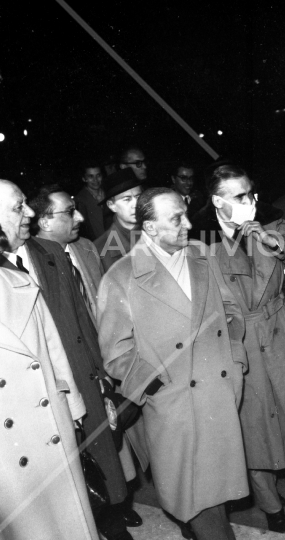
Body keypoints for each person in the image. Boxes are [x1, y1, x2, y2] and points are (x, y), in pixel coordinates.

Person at [190, 164, 285, 534]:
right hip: (239, 341)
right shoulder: (198, 240)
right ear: (217, 201)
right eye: (239, 197)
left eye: (251, 194)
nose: (249, 202)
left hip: (282, 330)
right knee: (255, 431)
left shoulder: (271, 222)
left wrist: (273, 242)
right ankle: (272, 506)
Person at [97, 188, 249, 540]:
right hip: (175, 405)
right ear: (149, 228)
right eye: (176, 218)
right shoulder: (121, 276)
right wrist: (156, 388)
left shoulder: (202, 255)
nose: (188, 223)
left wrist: (236, 358)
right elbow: (117, 353)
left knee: (216, 493)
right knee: (197, 500)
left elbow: (231, 312)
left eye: (186, 214)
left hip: (220, 392)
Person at [0, 179, 130, 540]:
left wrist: (101, 375)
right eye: (17, 206)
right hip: (17, 424)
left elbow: (80, 323)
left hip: (69, 383)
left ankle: (112, 518)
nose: (29, 213)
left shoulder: (51, 253)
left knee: (95, 470)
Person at [30, 184, 143, 527]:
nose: (80, 217)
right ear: (45, 221)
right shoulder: (39, 258)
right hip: (73, 365)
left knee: (114, 440)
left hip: (100, 354)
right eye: (69, 211)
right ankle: (108, 510)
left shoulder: (83, 249)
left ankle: (119, 500)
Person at [0, 225, 98, 540]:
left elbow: (53, 347)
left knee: (71, 522)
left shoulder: (19, 281)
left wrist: (73, 405)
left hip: (48, 420)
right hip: (7, 450)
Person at [94, 169, 144, 271]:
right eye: (127, 199)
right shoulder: (99, 248)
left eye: (138, 197)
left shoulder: (156, 232)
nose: (135, 205)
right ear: (111, 205)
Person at [75, 161, 106, 241]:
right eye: (91, 176)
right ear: (84, 179)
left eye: (98, 175)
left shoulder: (109, 192)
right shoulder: (81, 199)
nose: (95, 180)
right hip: (99, 244)